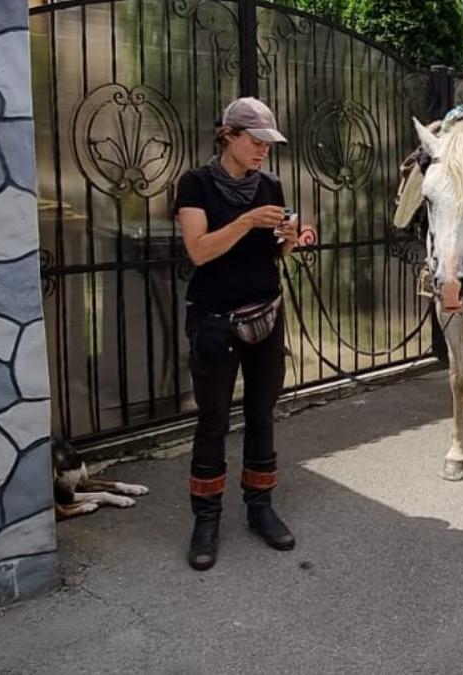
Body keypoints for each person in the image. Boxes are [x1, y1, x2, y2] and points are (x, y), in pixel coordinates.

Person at [173, 97, 299, 570]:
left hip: (265, 313)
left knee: (263, 413)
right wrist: (247, 220)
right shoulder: (196, 184)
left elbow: (271, 255)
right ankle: (206, 519)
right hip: (214, 319)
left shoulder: (271, 185)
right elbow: (200, 251)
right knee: (213, 419)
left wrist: (288, 239)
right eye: (256, 141)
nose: (264, 150)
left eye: (269, 142)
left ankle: (260, 509)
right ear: (229, 136)